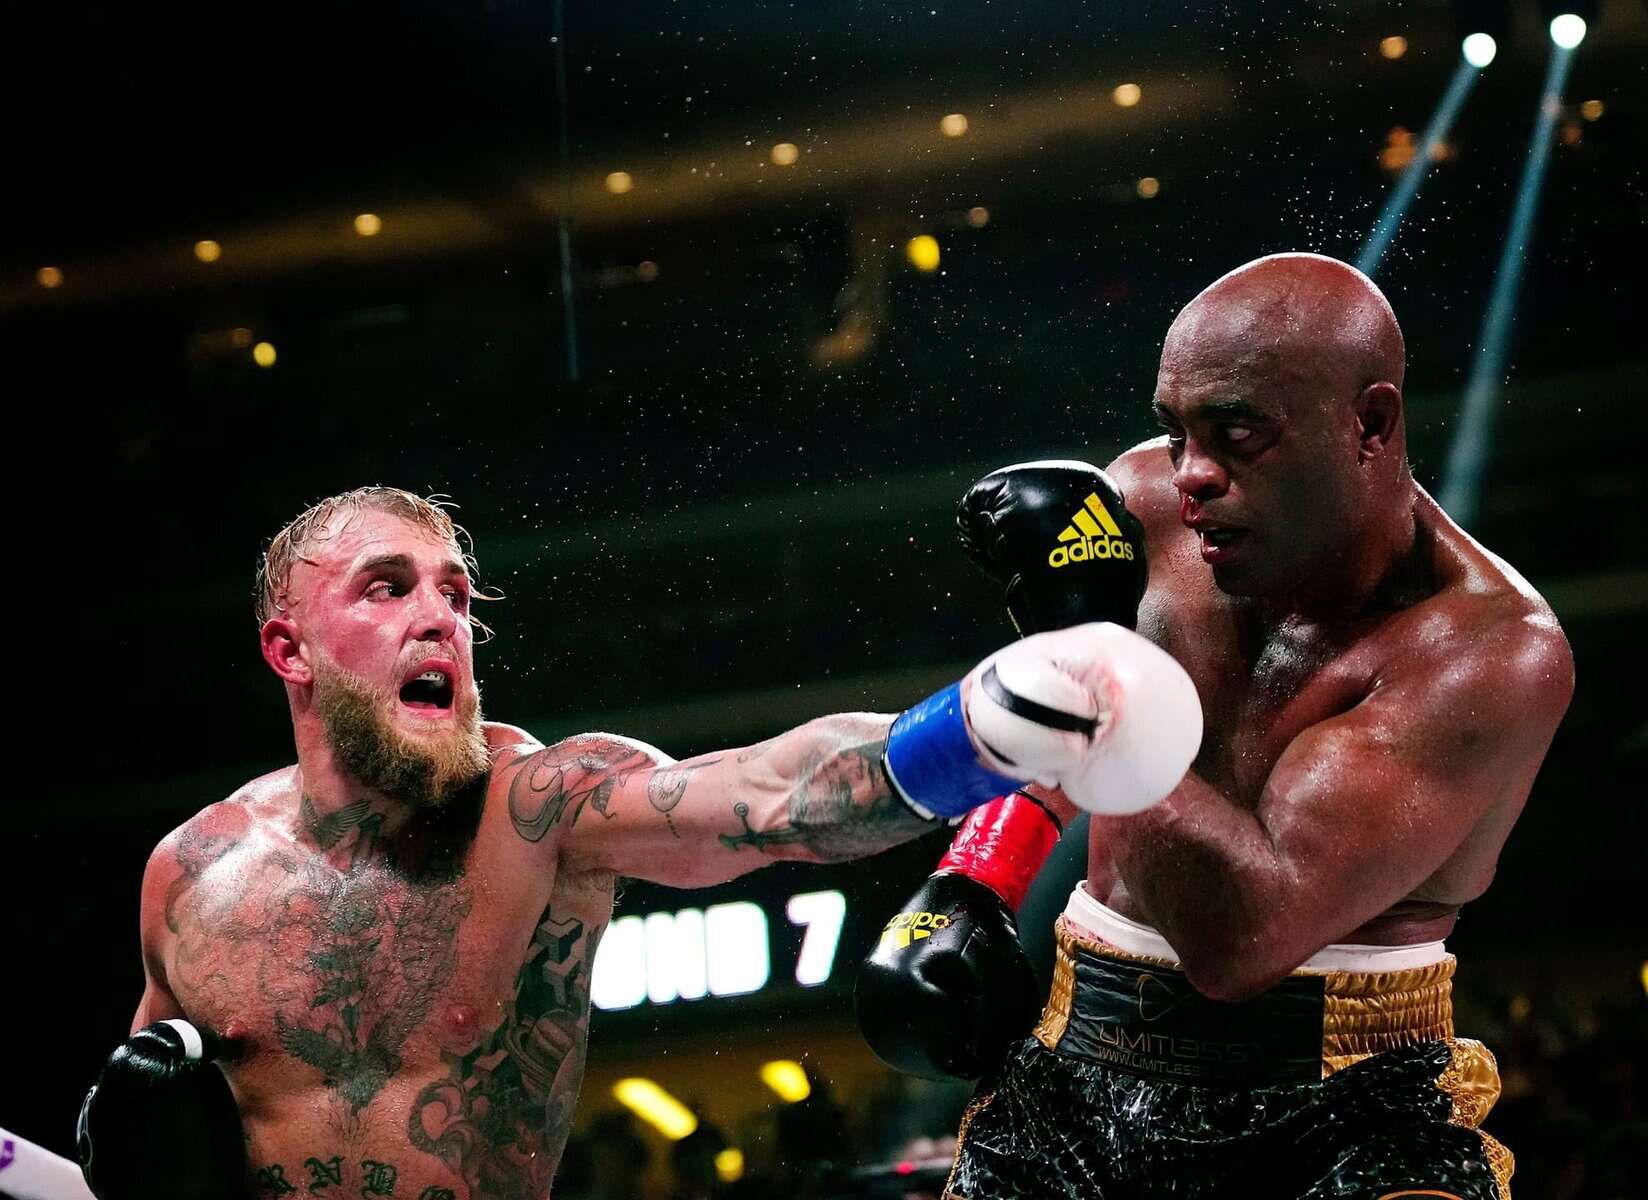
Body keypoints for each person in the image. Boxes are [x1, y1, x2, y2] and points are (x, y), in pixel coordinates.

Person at [75, 485, 1203, 1200]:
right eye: (387, 589)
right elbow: (131, 1141)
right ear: (290, 651)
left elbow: (767, 792)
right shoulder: (192, 873)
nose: (439, 619)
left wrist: (980, 725)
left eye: (457, 595)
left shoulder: (538, 806)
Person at [858, 253, 1575, 1199]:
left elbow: (1240, 939)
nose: (1191, 474)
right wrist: (978, 872)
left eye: (1237, 434)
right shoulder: (1151, 508)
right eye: (1176, 430)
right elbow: (1050, 725)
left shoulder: (1485, 653)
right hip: (1074, 1065)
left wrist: (1095, 653)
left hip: (1345, 1108)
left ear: (1369, 424)